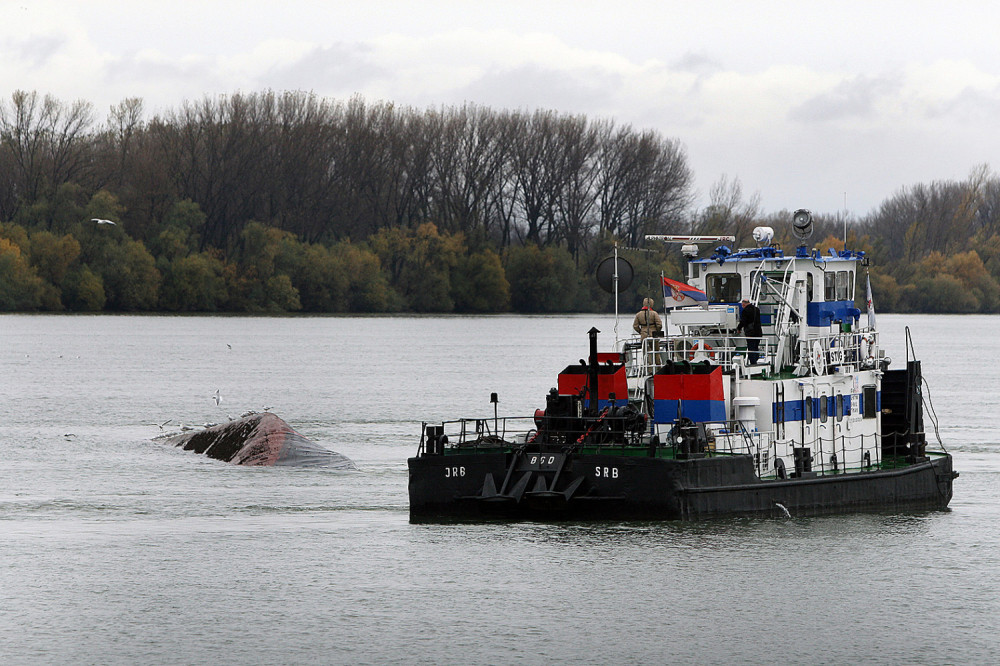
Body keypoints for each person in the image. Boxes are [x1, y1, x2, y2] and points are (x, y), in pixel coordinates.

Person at [736, 298, 763, 364]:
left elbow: (743, 321)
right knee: (756, 347)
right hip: (758, 332)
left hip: (751, 333)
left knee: (751, 348)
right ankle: (756, 360)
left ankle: (753, 363)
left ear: (744, 304)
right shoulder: (757, 309)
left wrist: (738, 328)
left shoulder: (745, 311)